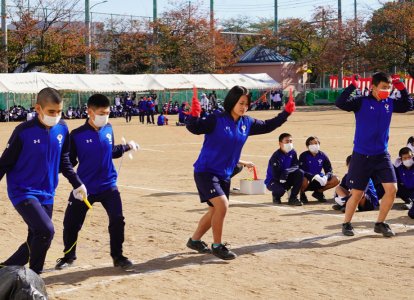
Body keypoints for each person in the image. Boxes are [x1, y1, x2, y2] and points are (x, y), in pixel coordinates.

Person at [186, 85, 295, 260]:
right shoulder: (217, 118)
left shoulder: (247, 123)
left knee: (215, 210)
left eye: (246, 104)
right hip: (206, 171)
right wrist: (194, 114)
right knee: (222, 205)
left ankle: (194, 240)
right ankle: (217, 245)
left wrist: (286, 113)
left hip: (225, 173)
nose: (244, 107)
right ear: (232, 101)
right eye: (241, 103)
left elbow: (268, 126)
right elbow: (194, 128)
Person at [0, 88, 87, 274]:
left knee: (37, 237)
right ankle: (35, 277)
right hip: (23, 191)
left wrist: (77, 183)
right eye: (51, 112)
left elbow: (64, 160)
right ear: (38, 108)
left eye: (59, 111)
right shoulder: (23, 132)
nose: (56, 116)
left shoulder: (62, 128)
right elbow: (4, 163)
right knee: (46, 231)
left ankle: (3, 269)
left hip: (47, 193)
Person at [55, 94, 137, 270]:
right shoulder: (76, 135)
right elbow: (69, 161)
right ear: (90, 112)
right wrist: (71, 180)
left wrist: (127, 146)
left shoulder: (108, 128)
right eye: (102, 113)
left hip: (108, 186)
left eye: (107, 112)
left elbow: (111, 151)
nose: (105, 116)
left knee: (117, 220)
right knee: (71, 223)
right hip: (85, 188)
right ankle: (68, 257)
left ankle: (118, 257)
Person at [335, 72, 412, 237]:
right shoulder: (361, 102)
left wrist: (401, 86)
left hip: (382, 155)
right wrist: (352, 86)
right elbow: (340, 103)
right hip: (362, 155)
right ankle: (346, 223)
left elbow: (407, 106)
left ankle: (380, 223)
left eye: (389, 87)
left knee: (392, 190)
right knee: (357, 193)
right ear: (373, 87)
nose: (387, 90)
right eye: (384, 87)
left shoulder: (389, 103)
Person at [265, 133, 304, 205]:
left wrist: (287, 171)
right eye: (287, 141)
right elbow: (275, 174)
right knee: (281, 189)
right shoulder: (276, 156)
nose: (289, 143)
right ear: (280, 143)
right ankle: (276, 196)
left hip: (286, 176)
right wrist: (287, 187)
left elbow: (296, 165)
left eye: (291, 141)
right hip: (273, 180)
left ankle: (293, 198)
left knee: (300, 173)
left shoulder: (293, 152)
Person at [299, 136, 340, 203]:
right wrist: (313, 176)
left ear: (319, 144)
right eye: (311, 144)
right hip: (308, 180)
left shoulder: (323, 155)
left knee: (336, 179)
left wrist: (326, 177)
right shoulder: (304, 155)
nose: (314, 145)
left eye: (316, 143)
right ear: (307, 146)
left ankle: (318, 192)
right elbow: (301, 170)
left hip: (319, 180)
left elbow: (329, 170)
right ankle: (302, 194)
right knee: (303, 179)